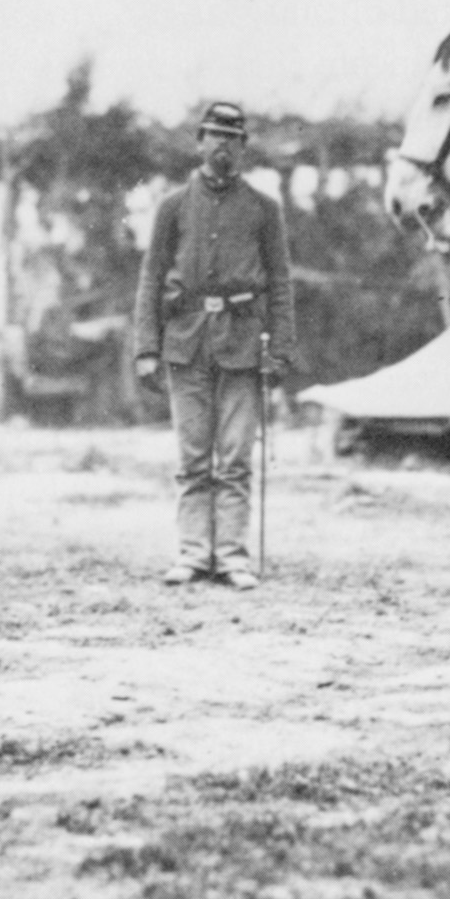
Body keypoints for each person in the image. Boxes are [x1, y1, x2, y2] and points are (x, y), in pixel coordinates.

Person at [132, 102, 297, 589]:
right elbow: (150, 279)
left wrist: (282, 348)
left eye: (233, 137)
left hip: (243, 343)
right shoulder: (173, 206)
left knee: (235, 457)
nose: (223, 145)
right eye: (214, 135)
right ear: (199, 142)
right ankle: (192, 553)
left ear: (243, 148)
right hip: (185, 343)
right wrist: (146, 347)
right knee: (191, 457)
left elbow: (282, 282)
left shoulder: (265, 210)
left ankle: (231, 556)